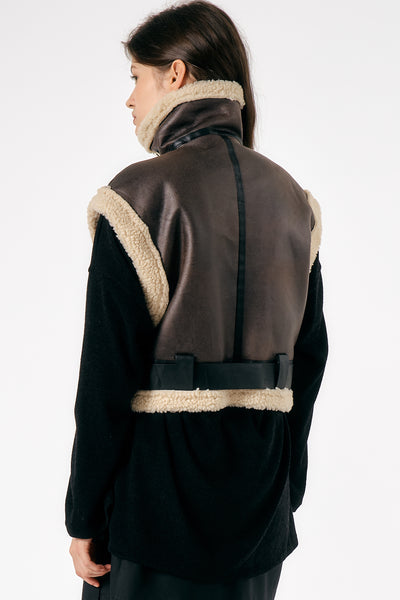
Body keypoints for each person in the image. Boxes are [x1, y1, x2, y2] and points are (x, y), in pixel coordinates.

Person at [65, 1, 328, 598]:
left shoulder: (137, 197)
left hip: (154, 510)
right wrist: (287, 487)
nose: (129, 99)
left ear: (176, 75)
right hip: (260, 508)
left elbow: (105, 374)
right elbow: (309, 360)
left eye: (137, 77)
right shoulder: (294, 202)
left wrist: (84, 514)